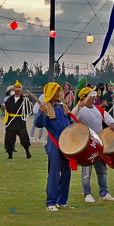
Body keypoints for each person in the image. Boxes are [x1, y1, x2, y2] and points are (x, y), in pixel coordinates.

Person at [72, 83, 114, 203]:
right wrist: (78, 107)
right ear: (83, 97)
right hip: (87, 144)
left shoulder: (97, 108)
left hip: (99, 143)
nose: (94, 97)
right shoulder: (79, 109)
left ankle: (104, 193)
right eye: (91, 95)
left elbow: (107, 116)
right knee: (87, 171)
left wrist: (112, 123)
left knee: (102, 170)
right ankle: (87, 194)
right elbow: (72, 118)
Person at [35, 82, 74, 211]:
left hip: (66, 143)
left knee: (66, 173)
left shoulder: (63, 107)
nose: (60, 93)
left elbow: (70, 122)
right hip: (54, 143)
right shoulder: (46, 107)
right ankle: (50, 202)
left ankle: (62, 200)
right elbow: (39, 124)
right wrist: (41, 114)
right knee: (54, 173)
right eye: (57, 91)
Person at [3, 81, 33, 160]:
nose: (17, 89)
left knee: (24, 137)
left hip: (20, 120)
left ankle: (27, 152)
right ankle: (10, 155)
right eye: (16, 88)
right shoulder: (10, 99)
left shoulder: (24, 99)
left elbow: (28, 108)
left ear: (21, 89)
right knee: (9, 137)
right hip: (11, 121)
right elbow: (5, 107)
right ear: (14, 89)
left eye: (19, 88)